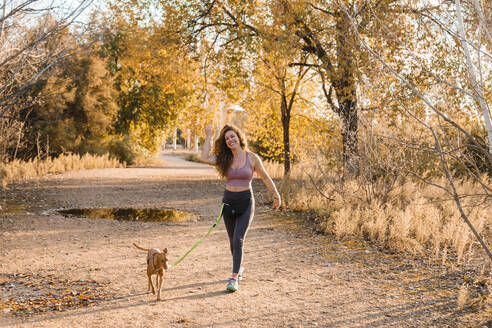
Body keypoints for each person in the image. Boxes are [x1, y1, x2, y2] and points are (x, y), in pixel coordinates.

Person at [201, 124, 281, 292]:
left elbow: (265, 177)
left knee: (238, 239)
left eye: (233, 136)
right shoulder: (224, 158)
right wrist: (208, 135)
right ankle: (239, 267)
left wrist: (276, 194)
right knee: (232, 242)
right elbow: (204, 157)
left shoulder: (252, 158)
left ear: (239, 137)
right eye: (227, 138)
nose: (230, 140)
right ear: (225, 143)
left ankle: (233, 277)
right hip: (228, 202)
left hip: (246, 202)